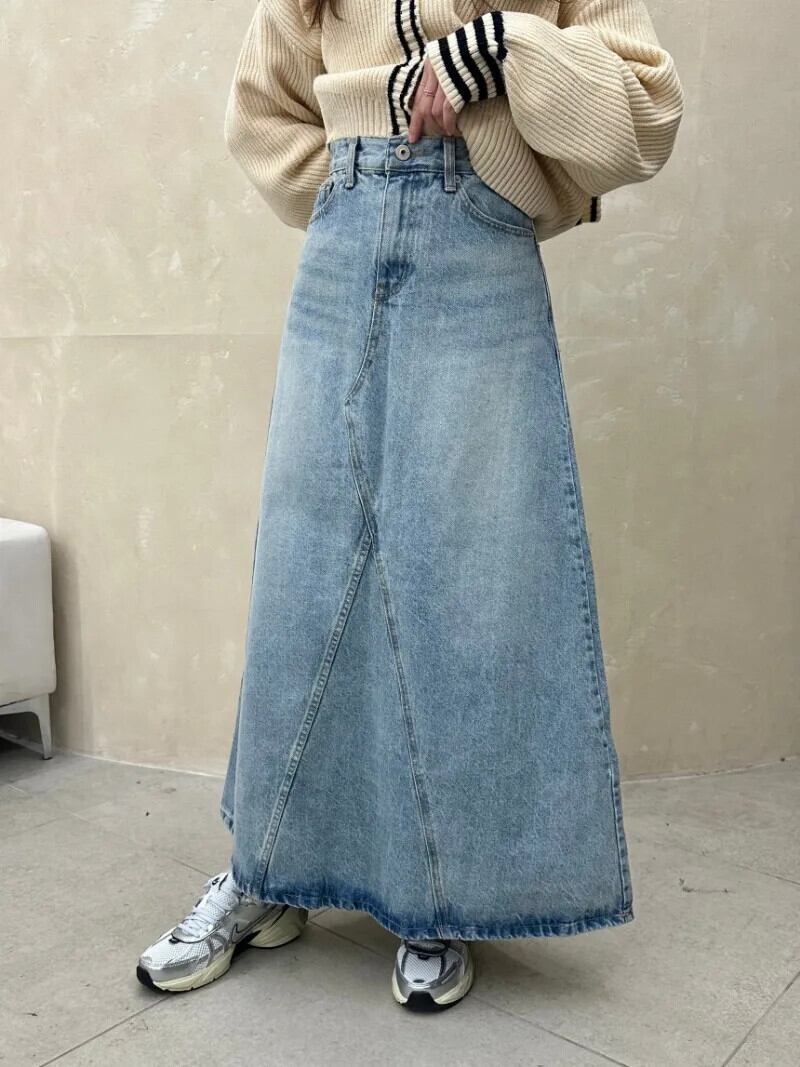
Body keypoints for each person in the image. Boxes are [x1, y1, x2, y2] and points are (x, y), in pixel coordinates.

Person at [137, 0, 683, 1011]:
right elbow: (261, 106)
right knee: (303, 568)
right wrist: (358, 173)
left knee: (464, 571)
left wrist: (504, 50)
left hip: (478, 233)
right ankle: (269, 871)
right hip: (344, 232)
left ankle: (436, 889)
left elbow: (645, 109)